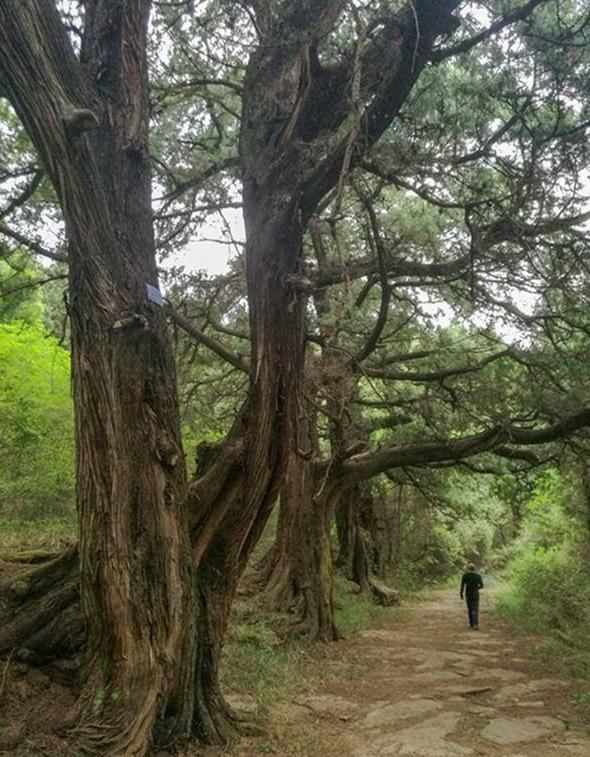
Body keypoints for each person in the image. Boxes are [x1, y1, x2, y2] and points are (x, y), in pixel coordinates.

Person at [460, 563, 484, 629]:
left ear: (468, 569)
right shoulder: (478, 576)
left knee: (470, 609)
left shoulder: (465, 576)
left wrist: (461, 594)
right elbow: (482, 586)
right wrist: (477, 588)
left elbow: (462, 586)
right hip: (475, 594)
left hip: (468, 594)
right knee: (475, 609)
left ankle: (471, 624)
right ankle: (476, 624)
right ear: (475, 569)